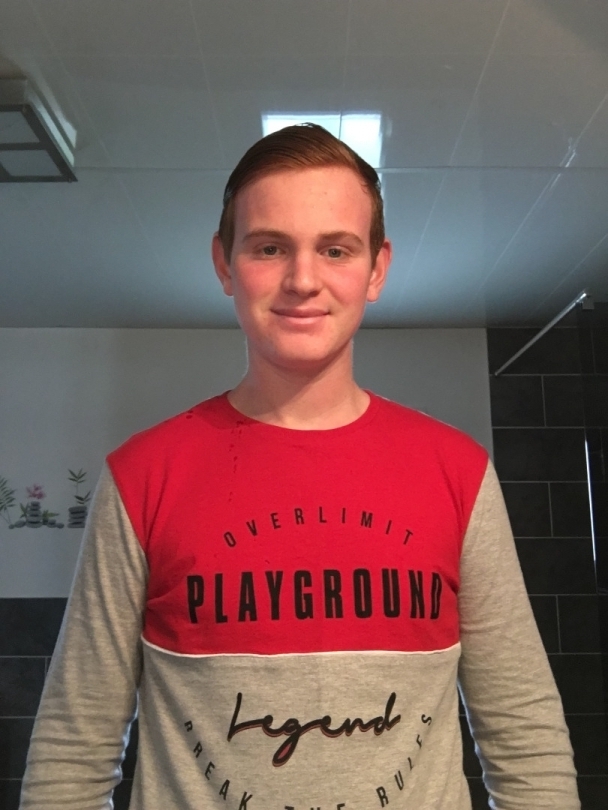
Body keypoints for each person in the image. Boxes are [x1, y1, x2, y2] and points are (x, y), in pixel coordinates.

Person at [20, 124, 580, 810]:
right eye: (269, 247)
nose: (303, 280)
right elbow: (73, 753)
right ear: (225, 263)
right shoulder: (143, 478)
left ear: (376, 269)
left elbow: (525, 738)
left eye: (336, 249)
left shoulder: (457, 473)